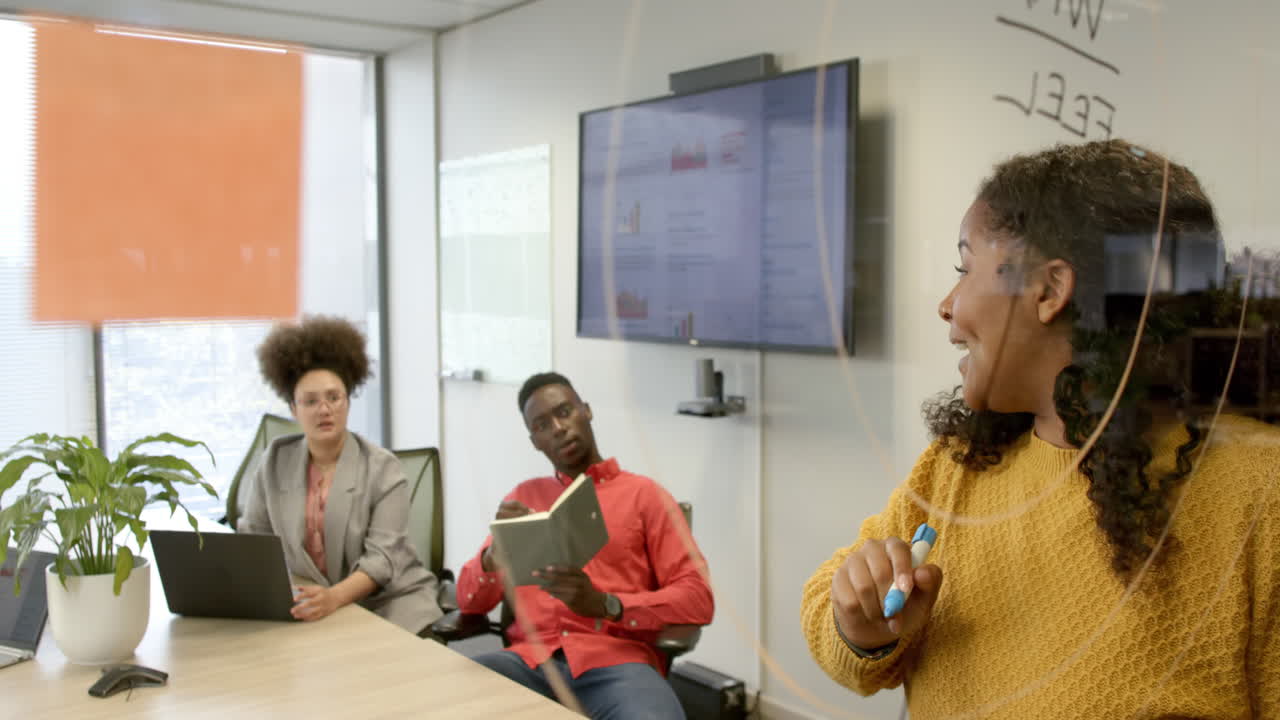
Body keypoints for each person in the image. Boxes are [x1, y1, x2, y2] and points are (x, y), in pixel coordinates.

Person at [801, 140, 1279, 718]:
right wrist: (860, 622)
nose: (947, 305)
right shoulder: (960, 465)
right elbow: (830, 615)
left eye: (966, 268)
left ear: (1050, 290)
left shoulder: (1261, 496)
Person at [457, 372, 714, 719]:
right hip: (529, 664)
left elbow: (698, 599)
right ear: (535, 440)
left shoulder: (645, 496)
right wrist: (491, 558)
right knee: (444, 696)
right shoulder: (523, 498)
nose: (558, 428)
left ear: (586, 411)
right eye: (542, 425)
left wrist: (607, 604)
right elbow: (468, 601)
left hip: (617, 665)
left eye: (564, 412)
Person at [240, 315, 443, 635]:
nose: (324, 409)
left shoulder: (383, 468)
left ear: (348, 401)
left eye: (334, 397)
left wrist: (332, 598)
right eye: (310, 401)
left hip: (385, 602)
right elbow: (255, 541)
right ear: (293, 409)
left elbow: (382, 561)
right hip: (310, 599)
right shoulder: (275, 461)